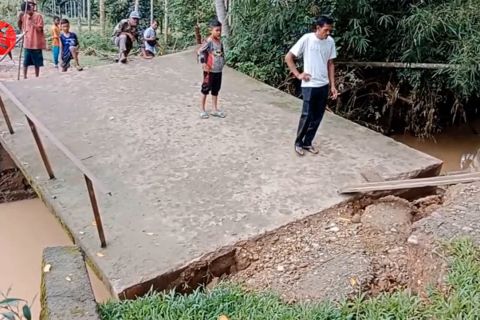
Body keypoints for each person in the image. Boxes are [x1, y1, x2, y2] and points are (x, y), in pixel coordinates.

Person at [285, 16, 338, 156]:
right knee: (307, 115)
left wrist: (333, 85)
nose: (328, 33)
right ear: (318, 28)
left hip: (323, 84)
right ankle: (298, 142)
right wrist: (298, 74)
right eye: (326, 30)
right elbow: (288, 57)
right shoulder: (307, 39)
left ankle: (308, 142)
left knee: (318, 116)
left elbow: (330, 64)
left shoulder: (330, 42)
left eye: (330, 30)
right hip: (309, 84)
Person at [197, 19, 225, 119]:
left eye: (220, 30)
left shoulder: (220, 42)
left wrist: (223, 62)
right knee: (205, 89)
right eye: (217, 30)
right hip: (209, 71)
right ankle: (202, 110)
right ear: (211, 30)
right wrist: (203, 63)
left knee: (216, 90)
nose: (219, 32)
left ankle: (214, 109)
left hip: (218, 70)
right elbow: (200, 51)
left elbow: (221, 53)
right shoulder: (208, 41)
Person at [18, 1, 46, 79]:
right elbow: (22, 27)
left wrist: (33, 22)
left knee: (37, 62)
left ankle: (37, 77)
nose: (27, 12)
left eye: (30, 8)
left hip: (36, 43)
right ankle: (24, 77)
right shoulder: (24, 16)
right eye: (25, 11)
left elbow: (40, 29)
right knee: (25, 62)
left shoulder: (38, 16)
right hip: (27, 43)